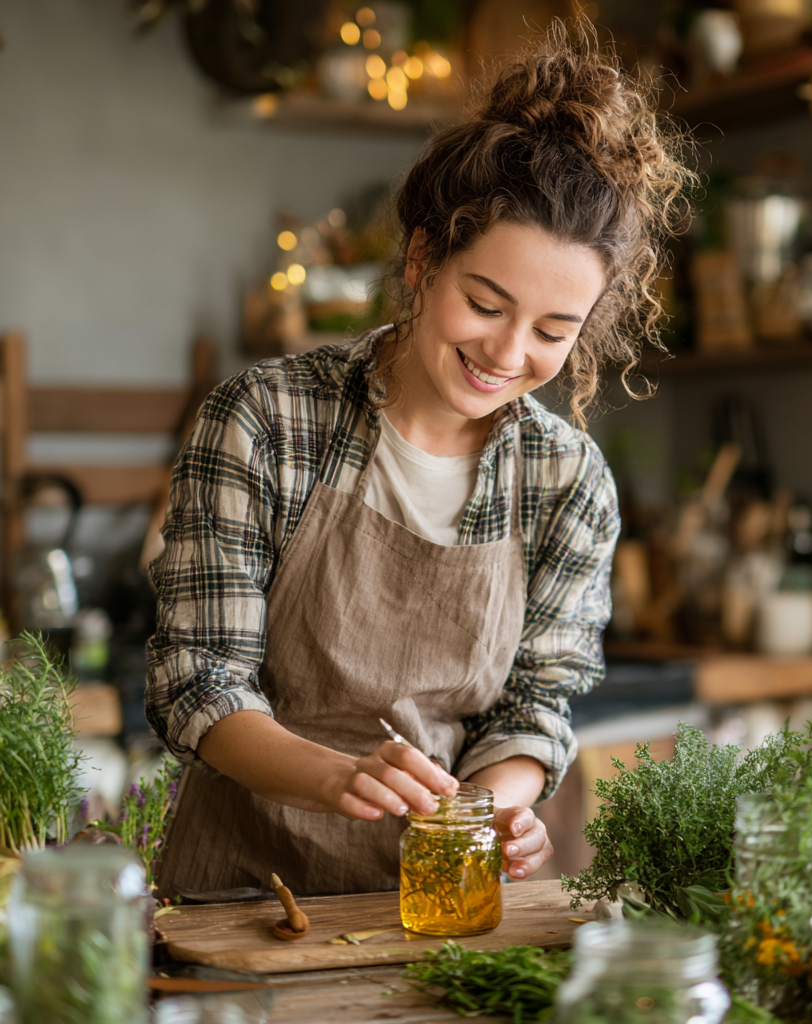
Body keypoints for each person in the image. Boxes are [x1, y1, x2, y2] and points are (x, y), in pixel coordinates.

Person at [147, 18, 693, 897]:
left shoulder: (567, 484)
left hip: (442, 902)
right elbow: (198, 682)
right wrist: (333, 777)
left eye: (554, 331)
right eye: (486, 303)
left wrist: (493, 810)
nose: (510, 354)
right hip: (245, 898)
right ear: (423, 258)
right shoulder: (268, 420)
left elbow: (533, 708)